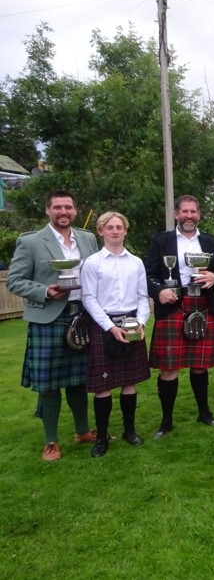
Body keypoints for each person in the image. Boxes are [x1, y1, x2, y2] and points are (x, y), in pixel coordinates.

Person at [7, 190, 98, 460]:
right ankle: (50, 441)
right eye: (57, 207)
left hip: (81, 316)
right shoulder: (31, 242)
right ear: (47, 210)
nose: (63, 212)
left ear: (75, 211)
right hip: (49, 318)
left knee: (79, 380)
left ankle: (83, 431)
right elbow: (15, 280)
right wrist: (46, 291)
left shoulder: (88, 239)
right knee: (48, 385)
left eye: (68, 207)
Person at [144, 194, 214, 439]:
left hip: (202, 304)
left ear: (199, 215)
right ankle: (166, 420)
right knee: (169, 369)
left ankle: (204, 412)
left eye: (193, 212)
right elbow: (148, 274)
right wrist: (160, 291)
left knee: (200, 366)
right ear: (176, 214)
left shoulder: (209, 242)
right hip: (173, 306)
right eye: (185, 212)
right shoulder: (162, 241)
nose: (189, 216)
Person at [81, 212, 150, 457]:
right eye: (109, 227)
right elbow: (88, 298)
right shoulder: (92, 263)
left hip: (131, 321)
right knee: (103, 386)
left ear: (125, 231)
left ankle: (129, 430)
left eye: (119, 227)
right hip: (104, 325)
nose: (115, 231)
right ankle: (101, 437)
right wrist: (110, 327)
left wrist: (140, 323)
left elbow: (143, 297)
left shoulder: (136, 262)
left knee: (129, 383)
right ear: (100, 231)